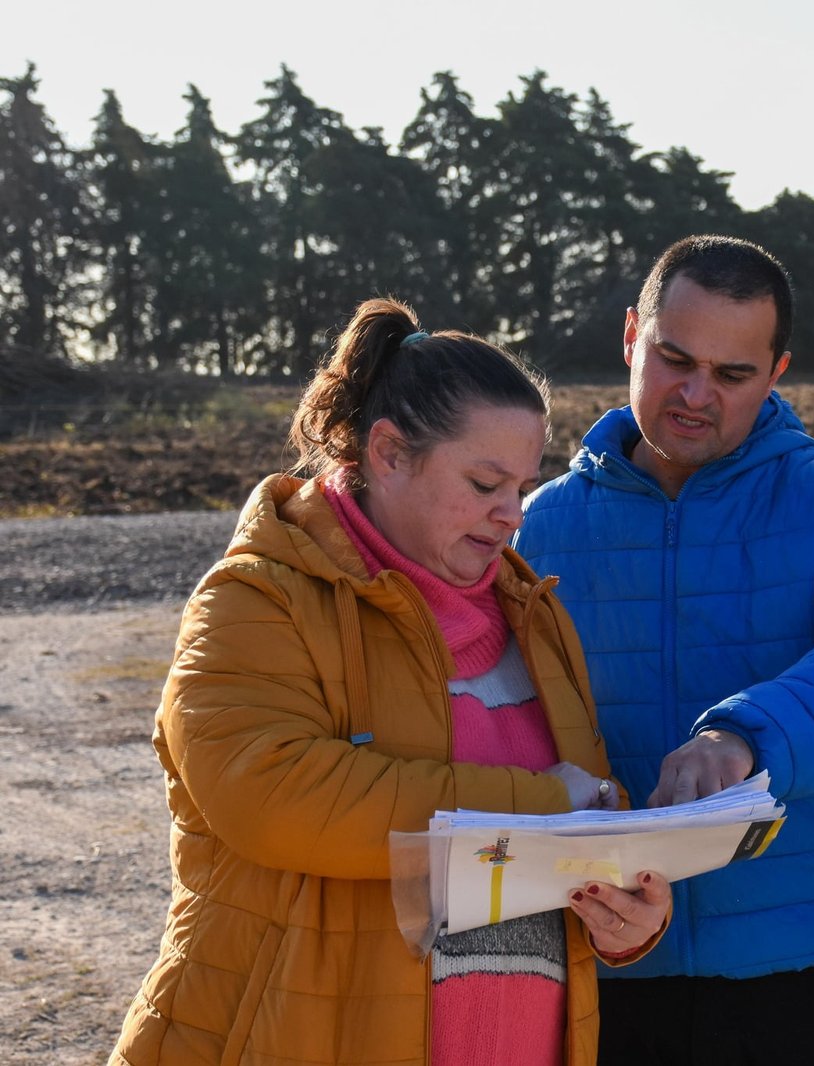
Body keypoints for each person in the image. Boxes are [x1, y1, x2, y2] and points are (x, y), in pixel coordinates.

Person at [110, 298, 670, 1066]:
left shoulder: (535, 616)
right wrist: (548, 809)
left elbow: (582, 821)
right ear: (388, 453)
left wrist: (624, 918)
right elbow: (272, 795)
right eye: (483, 483)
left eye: (522, 486)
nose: (512, 514)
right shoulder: (257, 597)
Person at [513, 235, 814, 1066]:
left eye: (733, 374)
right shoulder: (539, 522)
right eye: (673, 358)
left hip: (787, 971)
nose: (695, 394)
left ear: (776, 373)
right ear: (631, 336)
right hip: (593, 952)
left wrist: (743, 738)